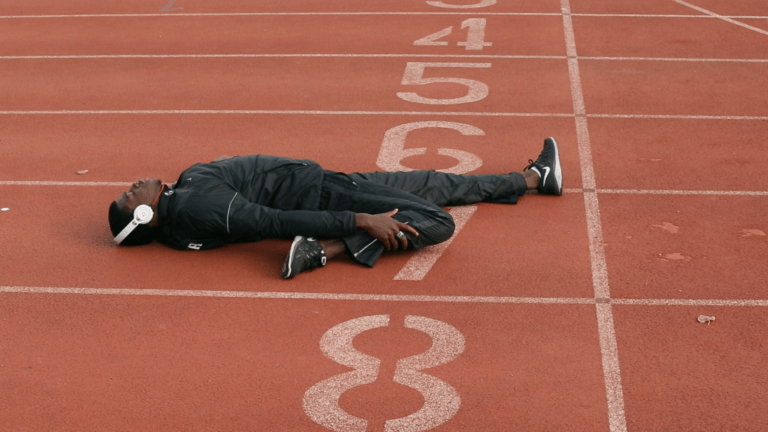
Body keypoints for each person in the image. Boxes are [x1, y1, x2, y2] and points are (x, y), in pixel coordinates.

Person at [108, 138, 562, 279]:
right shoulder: (204, 207)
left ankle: (534, 179)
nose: (131, 187)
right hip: (327, 198)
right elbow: (275, 221)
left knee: (431, 183)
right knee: (437, 220)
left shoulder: (187, 193)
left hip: (328, 182)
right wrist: (359, 221)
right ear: (143, 216)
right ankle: (326, 251)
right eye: (130, 197)